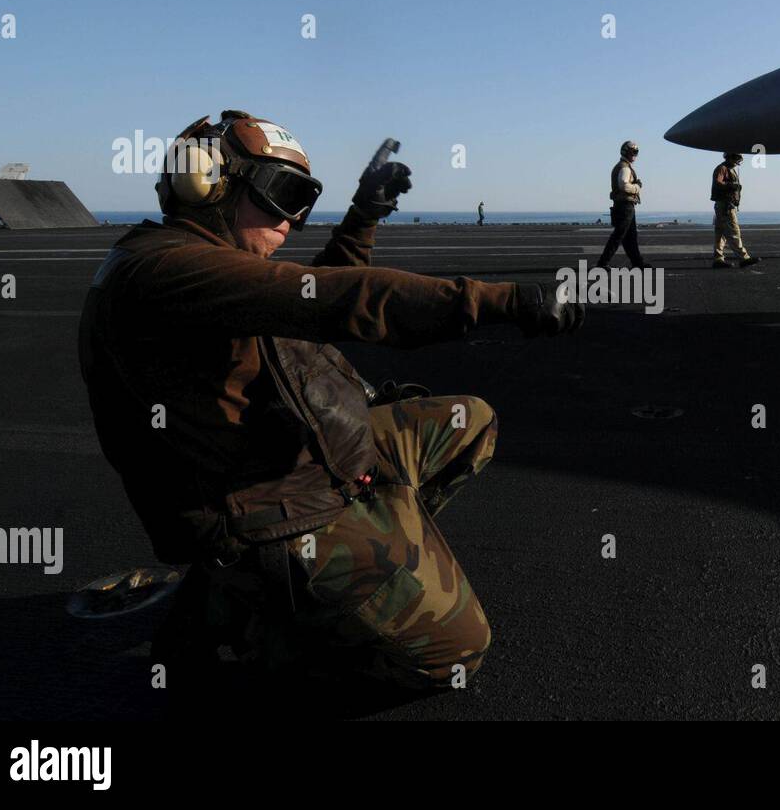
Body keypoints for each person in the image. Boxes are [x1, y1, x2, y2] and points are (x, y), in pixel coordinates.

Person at [78, 110, 583, 690]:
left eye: (303, 200)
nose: (291, 221)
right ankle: (251, 623)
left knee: (471, 421)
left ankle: (357, 559)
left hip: (303, 468)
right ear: (209, 184)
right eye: (280, 194)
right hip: (260, 514)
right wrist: (504, 301)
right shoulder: (161, 271)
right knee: (456, 656)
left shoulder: (207, 267)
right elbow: (340, 300)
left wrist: (365, 213)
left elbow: (311, 302)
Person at [596, 140, 651, 269]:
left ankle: (638, 263)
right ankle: (602, 263)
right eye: (634, 152)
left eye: (636, 152)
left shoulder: (621, 166)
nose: (635, 155)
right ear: (626, 152)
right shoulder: (625, 168)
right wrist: (637, 187)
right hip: (625, 206)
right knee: (619, 235)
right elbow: (624, 185)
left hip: (624, 206)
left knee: (629, 237)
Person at [711, 152, 760, 268]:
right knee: (733, 231)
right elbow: (718, 183)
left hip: (723, 204)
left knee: (721, 233)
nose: (738, 162)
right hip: (726, 205)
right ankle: (744, 258)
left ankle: (718, 259)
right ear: (731, 157)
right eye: (737, 159)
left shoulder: (727, 169)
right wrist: (732, 185)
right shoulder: (723, 168)